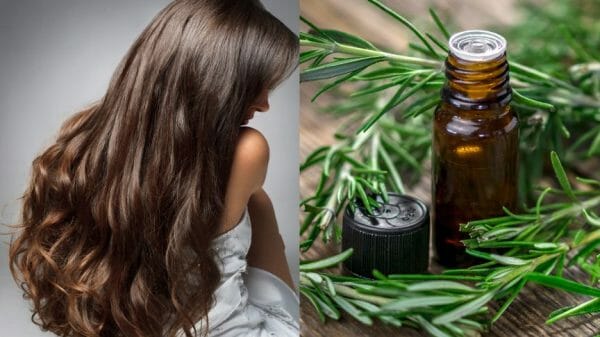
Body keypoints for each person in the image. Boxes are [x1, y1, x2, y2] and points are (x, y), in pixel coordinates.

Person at [7, 1, 299, 336]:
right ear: (212, 82)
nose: (264, 103)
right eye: (254, 84)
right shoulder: (248, 149)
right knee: (258, 200)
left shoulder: (81, 145)